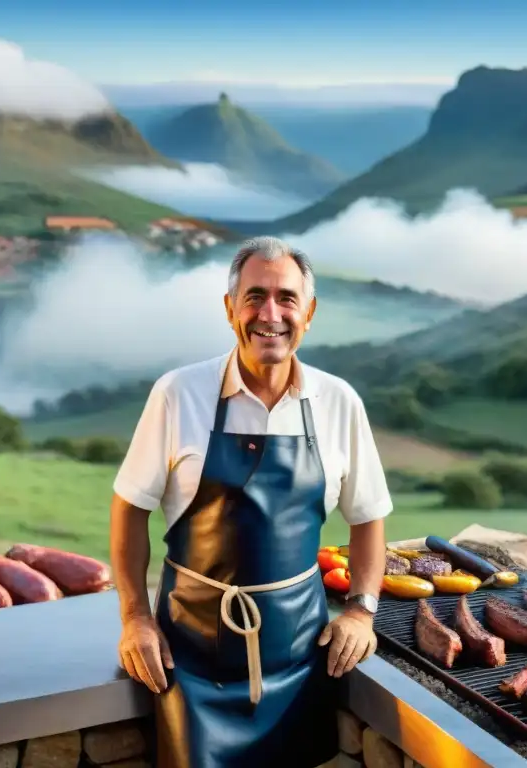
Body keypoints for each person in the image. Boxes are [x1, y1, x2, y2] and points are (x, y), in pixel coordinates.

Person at [109, 236, 392, 768]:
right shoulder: (178, 394)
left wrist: (360, 611)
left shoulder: (338, 402)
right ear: (229, 309)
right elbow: (129, 507)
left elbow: (369, 514)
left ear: (308, 313)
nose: (271, 314)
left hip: (302, 653)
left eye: (286, 298)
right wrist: (135, 619)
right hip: (192, 655)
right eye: (254, 296)